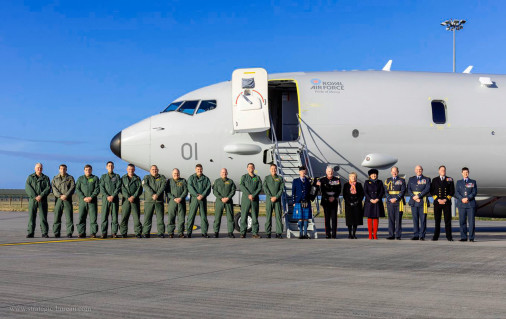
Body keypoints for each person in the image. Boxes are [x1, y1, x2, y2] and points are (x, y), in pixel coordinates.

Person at [25, 163, 51, 238]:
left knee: (43, 217)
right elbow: (28, 188)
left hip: (42, 200)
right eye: (38, 168)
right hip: (33, 200)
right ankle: (30, 232)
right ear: (35, 168)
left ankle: (44, 232)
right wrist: (35, 196)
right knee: (31, 217)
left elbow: (48, 188)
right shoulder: (30, 177)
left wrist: (41, 195)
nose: (39, 169)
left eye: (41, 168)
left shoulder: (46, 178)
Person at [430, 165, 455, 241]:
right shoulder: (434, 180)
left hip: (446, 203)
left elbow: (452, 191)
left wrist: (445, 199)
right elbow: (431, 191)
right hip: (437, 203)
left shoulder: (449, 179)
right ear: (439, 171)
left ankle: (449, 237)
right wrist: (437, 199)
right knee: (437, 220)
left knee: (447, 221)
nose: (443, 171)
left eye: (444, 170)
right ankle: (435, 236)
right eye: (441, 170)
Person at [187, 164, 212, 238]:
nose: (199, 170)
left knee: (204, 216)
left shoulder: (206, 179)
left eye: (200, 169)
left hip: (203, 199)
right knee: (191, 216)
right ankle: (189, 232)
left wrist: (202, 195)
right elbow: (190, 187)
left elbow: (208, 188)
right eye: (198, 169)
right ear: (195, 169)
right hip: (194, 199)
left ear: (202, 169)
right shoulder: (191, 178)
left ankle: (204, 232)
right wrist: (196, 195)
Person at [316, 166, 341, 239]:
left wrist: (334, 197)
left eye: (331, 171)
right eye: (329, 171)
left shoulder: (337, 180)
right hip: (326, 201)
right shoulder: (322, 180)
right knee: (326, 218)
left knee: (334, 218)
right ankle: (327, 234)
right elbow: (322, 191)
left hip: (334, 200)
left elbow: (339, 190)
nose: (330, 173)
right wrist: (328, 197)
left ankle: (333, 234)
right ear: (326, 172)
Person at [142, 165, 167, 238]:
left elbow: (163, 186)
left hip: (159, 201)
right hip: (149, 201)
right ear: (150, 170)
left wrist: (157, 194)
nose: (154, 170)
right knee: (147, 218)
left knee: (160, 218)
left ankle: (161, 233)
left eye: (156, 169)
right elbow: (145, 186)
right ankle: (146, 233)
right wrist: (153, 194)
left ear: (158, 170)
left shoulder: (162, 177)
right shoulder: (146, 178)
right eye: (153, 169)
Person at [407, 165, 431, 241]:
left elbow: (427, 189)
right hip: (414, 201)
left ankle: (422, 235)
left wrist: (419, 196)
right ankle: (416, 235)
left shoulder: (427, 179)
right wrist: (414, 196)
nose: (418, 171)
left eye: (420, 169)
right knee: (415, 219)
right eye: (417, 169)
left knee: (423, 220)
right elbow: (409, 189)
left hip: (422, 201)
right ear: (415, 170)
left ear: (422, 170)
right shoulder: (411, 179)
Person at [51, 164, 75, 238]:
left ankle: (69, 233)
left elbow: (72, 187)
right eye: (61, 169)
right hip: (58, 199)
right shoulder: (55, 178)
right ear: (59, 169)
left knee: (69, 217)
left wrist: (66, 195)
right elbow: (53, 188)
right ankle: (56, 232)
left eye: (64, 169)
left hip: (67, 199)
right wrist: (60, 196)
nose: (63, 170)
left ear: (66, 169)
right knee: (57, 216)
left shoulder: (70, 178)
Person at [76, 164, 100, 238]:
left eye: (89, 170)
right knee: (81, 217)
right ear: (84, 170)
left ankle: (93, 233)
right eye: (86, 170)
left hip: (92, 201)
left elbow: (97, 189)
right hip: (83, 201)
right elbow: (78, 189)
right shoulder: (80, 179)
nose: (88, 171)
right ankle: (81, 232)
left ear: (91, 170)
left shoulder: (95, 178)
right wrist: (83, 197)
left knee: (93, 218)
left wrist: (91, 197)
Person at [119, 164, 143, 238]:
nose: (131, 170)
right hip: (126, 200)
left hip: (135, 200)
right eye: (129, 169)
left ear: (134, 169)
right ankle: (123, 232)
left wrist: (133, 196)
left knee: (136, 217)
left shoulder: (137, 178)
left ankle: (138, 232)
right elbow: (122, 189)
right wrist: (128, 197)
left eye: (132, 169)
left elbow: (140, 189)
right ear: (127, 169)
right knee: (124, 217)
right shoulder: (123, 178)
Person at [239, 163, 263, 238]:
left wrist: (253, 195)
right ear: (247, 168)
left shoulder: (257, 178)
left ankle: (255, 233)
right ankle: (243, 232)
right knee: (244, 215)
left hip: (254, 198)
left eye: (252, 167)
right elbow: (241, 186)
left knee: (255, 216)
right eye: (249, 167)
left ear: (254, 168)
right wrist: (248, 194)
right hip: (246, 198)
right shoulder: (244, 177)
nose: (250, 168)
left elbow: (259, 187)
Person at [454, 167, 478, 242]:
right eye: (464, 172)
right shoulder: (458, 182)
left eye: (467, 172)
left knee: (471, 222)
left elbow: (474, 192)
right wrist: (462, 199)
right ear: (462, 173)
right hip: (461, 204)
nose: (465, 174)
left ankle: (471, 238)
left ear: (468, 173)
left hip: (470, 204)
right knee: (462, 221)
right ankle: (463, 237)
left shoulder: (473, 182)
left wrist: (468, 198)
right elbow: (456, 192)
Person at [212, 168, 236, 238]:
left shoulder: (230, 181)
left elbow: (233, 190)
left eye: (225, 172)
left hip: (228, 201)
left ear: (227, 173)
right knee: (217, 217)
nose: (224, 174)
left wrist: (228, 197)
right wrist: (221, 198)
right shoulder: (217, 181)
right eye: (222, 172)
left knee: (230, 217)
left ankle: (230, 232)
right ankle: (216, 232)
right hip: (220, 201)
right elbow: (215, 191)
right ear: (220, 173)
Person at [100, 161, 121, 238]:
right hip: (106, 199)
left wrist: (113, 196)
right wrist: (107, 196)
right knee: (104, 216)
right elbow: (101, 187)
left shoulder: (117, 176)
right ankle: (104, 233)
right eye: (109, 166)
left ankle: (114, 233)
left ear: (114, 167)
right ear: (106, 167)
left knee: (115, 216)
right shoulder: (103, 177)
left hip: (114, 199)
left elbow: (118, 187)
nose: (110, 167)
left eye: (112, 166)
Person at [263, 164, 285, 239]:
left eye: (275, 169)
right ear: (270, 169)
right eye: (272, 169)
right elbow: (265, 188)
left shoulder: (280, 178)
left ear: (276, 169)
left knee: (278, 216)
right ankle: (268, 233)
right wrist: (270, 197)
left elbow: (281, 189)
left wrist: (276, 197)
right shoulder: (267, 178)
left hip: (277, 200)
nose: (273, 170)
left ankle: (278, 233)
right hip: (269, 200)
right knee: (268, 216)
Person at [384, 166, 406, 240]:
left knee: (398, 219)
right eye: (393, 171)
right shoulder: (387, 180)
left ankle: (398, 235)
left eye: (395, 171)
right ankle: (391, 235)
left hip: (399, 202)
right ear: (391, 172)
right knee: (391, 219)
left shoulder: (402, 180)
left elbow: (403, 191)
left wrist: (396, 198)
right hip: (390, 202)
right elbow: (386, 191)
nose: (394, 173)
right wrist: (390, 199)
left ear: (398, 172)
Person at [292, 166, 313, 239]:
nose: (303, 172)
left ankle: (305, 234)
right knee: (300, 218)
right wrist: (294, 201)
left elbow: (311, 190)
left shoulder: (308, 181)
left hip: (306, 201)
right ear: (299, 172)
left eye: (304, 171)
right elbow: (293, 192)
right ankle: (300, 234)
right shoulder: (295, 181)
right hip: (298, 201)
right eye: (302, 171)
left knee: (306, 218)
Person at [363, 169, 385, 240]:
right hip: (369, 202)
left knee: (376, 218)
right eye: (372, 174)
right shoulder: (366, 182)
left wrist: (378, 199)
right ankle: (370, 234)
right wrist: (370, 199)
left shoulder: (380, 182)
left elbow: (382, 191)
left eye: (375, 174)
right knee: (369, 218)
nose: (374, 175)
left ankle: (375, 234)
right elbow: (365, 192)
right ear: (370, 175)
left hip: (377, 201)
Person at [166, 168, 188, 238]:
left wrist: (181, 197)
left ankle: (180, 233)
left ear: (179, 174)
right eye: (175, 174)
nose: (176, 175)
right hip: (173, 201)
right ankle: (170, 232)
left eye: (177, 173)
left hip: (181, 201)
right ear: (172, 174)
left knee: (181, 218)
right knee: (171, 217)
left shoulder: (183, 181)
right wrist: (174, 198)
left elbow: (186, 190)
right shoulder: (169, 181)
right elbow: (167, 192)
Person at [342, 172, 364, 239]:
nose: (353, 178)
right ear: (349, 177)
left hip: (357, 204)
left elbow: (362, 194)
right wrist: (349, 202)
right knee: (349, 220)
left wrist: (357, 201)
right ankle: (349, 234)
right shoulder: (346, 185)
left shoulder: (359, 185)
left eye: (354, 177)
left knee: (355, 220)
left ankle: (354, 234)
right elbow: (344, 195)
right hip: (349, 204)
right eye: (352, 177)